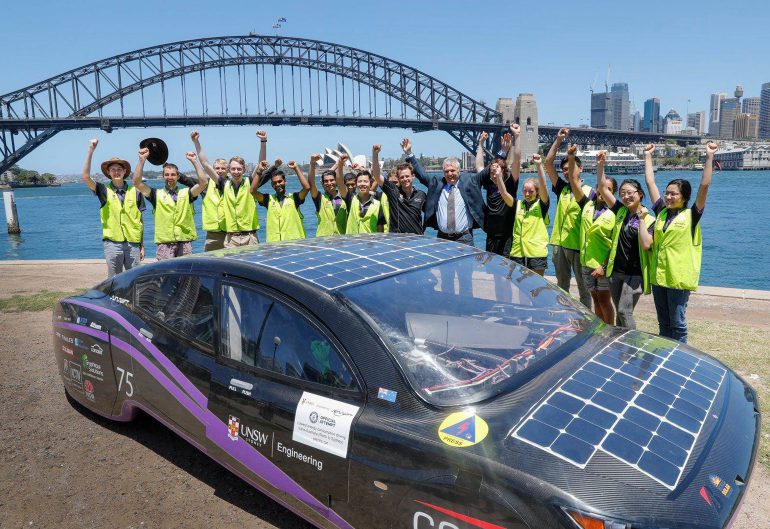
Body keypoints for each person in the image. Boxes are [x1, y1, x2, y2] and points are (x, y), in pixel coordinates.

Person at [639, 142, 718, 343]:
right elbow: (650, 183)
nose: (668, 196)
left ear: (684, 197)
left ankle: (680, 356)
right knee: (664, 323)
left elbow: (704, 186)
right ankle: (665, 353)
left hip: (678, 278)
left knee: (677, 323)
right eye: (667, 193)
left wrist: (709, 156)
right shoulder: (661, 213)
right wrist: (648, 156)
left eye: (673, 194)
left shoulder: (692, 215)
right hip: (659, 277)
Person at [191, 130, 267, 250]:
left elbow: (261, 164)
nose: (236, 172)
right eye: (233, 169)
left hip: (250, 236)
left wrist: (263, 141)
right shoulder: (224, 184)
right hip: (231, 238)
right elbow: (205, 164)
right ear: (229, 170)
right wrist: (196, 142)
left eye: (239, 169)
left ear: (244, 170)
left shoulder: (250, 183)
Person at [402, 138, 486, 246]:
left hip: (464, 238)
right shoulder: (437, 184)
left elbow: (484, 173)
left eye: (452, 170)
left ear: (459, 171)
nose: (450, 174)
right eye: (446, 171)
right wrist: (409, 153)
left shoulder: (468, 183)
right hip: (442, 238)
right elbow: (422, 175)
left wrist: (483, 146)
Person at [567, 146, 617, 324]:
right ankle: (599, 328)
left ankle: (609, 330)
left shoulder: (615, 213)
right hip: (586, 262)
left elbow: (615, 244)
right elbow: (573, 180)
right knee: (595, 298)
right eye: (602, 188)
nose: (603, 192)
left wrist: (604, 265)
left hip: (602, 264)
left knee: (604, 300)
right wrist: (571, 157)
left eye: (609, 190)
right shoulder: (587, 205)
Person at [81, 139, 145, 277]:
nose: (116, 172)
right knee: (114, 280)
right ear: (108, 172)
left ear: (125, 171)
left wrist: (142, 245)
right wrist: (91, 150)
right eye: (113, 169)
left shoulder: (136, 191)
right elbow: (85, 177)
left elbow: (140, 220)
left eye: (119, 169)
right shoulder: (103, 190)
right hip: (112, 243)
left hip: (133, 243)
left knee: (135, 278)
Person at [545, 128, 594, 308]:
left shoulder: (590, 193)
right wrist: (558, 140)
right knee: (562, 286)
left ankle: (586, 318)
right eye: (565, 170)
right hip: (560, 245)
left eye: (571, 168)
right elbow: (548, 163)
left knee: (584, 289)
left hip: (580, 247)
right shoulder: (562, 189)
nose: (567, 172)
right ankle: (564, 315)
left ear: (581, 168)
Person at [133, 148, 208, 260]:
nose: (170, 177)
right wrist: (141, 160)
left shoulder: (187, 193)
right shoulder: (155, 194)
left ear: (178, 176)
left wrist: (194, 161)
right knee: (166, 272)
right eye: (167, 174)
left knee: (185, 271)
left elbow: (203, 183)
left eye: (173, 174)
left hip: (184, 242)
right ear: (163, 176)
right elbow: (137, 183)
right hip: (165, 244)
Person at [495, 154, 550, 275]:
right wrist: (499, 177)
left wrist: (539, 165)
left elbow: (544, 186)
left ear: (537, 192)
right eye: (525, 191)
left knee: (536, 283)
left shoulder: (542, 205)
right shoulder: (518, 204)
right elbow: (504, 193)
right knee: (518, 283)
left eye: (531, 191)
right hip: (518, 252)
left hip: (536, 253)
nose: (527, 194)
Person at [476, 125, 521, 256]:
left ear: (504, 172)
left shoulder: (510, 183)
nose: (494, 174)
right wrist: (481, 144)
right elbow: (479, 167)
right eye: (492, 172)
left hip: (507, 236)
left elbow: (517, 161)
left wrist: (517, 136)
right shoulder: (489, 182)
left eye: (497, 171)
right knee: (492, 266)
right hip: (491, 235)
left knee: (506, 267)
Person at [371, 144, 426, 234]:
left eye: (407, 176)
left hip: (417, 238)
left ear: (413, 176)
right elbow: (377, 176)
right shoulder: (393, 191)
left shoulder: (421, 195)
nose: (405, 179)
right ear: (399, 179)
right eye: (402, 177)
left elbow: (430, 212)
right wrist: (375, 154)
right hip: (397, 238)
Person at [251, 159, 310, 242]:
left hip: (295, 243)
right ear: (272, 185)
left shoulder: (294, 198)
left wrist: (296, 168)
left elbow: (306, 188)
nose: (278, 184)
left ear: (285, 182)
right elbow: (252, 191)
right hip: (274, 245)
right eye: (274, 183)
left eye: (280, 181)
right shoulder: (268, 200)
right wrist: (259, 171)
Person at [336, 154, 386, 234]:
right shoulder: (351, 199)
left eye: (365, 181)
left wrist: (361, 169)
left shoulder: (377, 204)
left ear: (370, 184)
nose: (362, 184)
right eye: (359, 181)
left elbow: (380, 229)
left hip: (371, 241)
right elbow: (339, 182)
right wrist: (340, 164)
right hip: (352, 241)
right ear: (356, 184)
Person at [308, 154, 347, 236]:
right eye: (326, 181)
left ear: (336, 181)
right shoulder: (319, 198)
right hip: (323, 240)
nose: (329, 183)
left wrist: (338, 164)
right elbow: (311, 183)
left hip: (342, 239)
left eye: (332, 180)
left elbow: (339, 179)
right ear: (322, 183)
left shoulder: (344, 196)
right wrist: (312, 163)